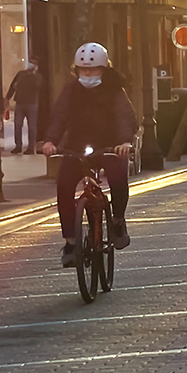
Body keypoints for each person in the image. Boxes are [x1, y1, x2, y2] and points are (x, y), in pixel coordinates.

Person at [39, 42, 138, 264]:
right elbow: (59, 116)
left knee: (118, 178)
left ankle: (118, 220)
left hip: (110, 146)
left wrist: (124, 142)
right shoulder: (70, 90)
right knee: (64, 185)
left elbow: (125, 117)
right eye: (82, 69)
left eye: (92, 69)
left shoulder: (115, 90)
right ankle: (71, 242)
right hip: (76, 145)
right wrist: (50, 141)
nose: (87, 73)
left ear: (104, 68)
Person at [5, 59, 43, 154]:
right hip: (20, 103)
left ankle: (31, 148)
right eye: (30, 62)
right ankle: (18, 146)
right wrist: (7, 98)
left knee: (32, 126)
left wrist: (33, 74)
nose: (30, 64)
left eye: (33, 63)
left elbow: (37, 86)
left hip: (32, 104)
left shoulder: (38, 77)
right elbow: (13, 86)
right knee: (17, 125)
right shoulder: (21, 74)